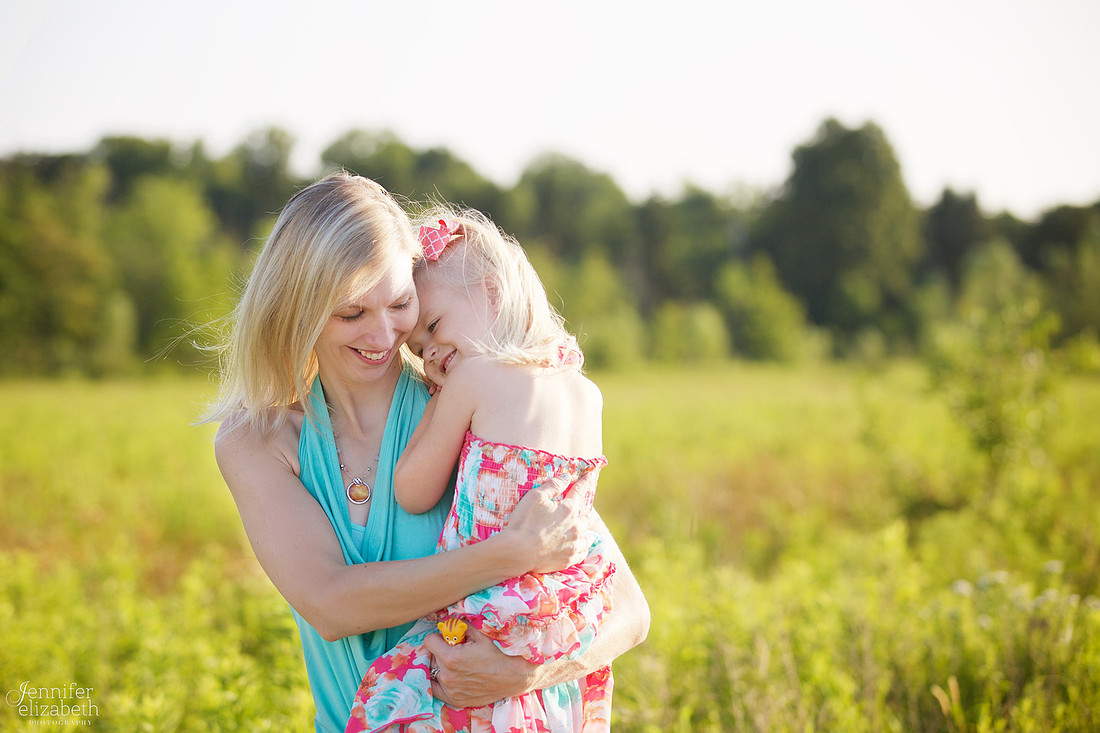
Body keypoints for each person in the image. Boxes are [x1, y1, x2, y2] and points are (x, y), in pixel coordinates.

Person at [202, 173, 649, 733]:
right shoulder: (258, 440)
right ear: (298, 309)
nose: (384, 333)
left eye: (400, 303)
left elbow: (629, 611)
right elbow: (332, 604)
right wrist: (507, 556)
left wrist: (521, 674)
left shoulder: (471, 404)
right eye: (351, 313)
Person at [346, 209, 616, 732]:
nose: (431, 356)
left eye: (436, 327)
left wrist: (432, 410)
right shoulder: (587, 393)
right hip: (554, 618)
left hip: (482, 610)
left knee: (393, 693)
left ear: (492, 293)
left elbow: (412, 491)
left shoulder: (475, 378)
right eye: (419, 351)